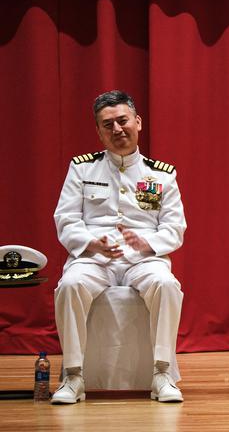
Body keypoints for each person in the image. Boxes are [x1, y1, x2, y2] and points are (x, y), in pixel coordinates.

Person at [51, 90, 186, 404]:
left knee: (166, 284)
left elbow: (174, 227)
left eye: (122, 120)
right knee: (69, 285)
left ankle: (162, 373)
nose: (117, 129)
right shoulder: (82, 170)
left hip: (143, 258)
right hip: (94, 258)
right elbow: (66, 218)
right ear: (98, 132)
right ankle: (73, 377)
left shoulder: (161, 175)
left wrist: (147, 243)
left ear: (138, 122)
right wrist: (89, 244)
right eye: (107, 124)